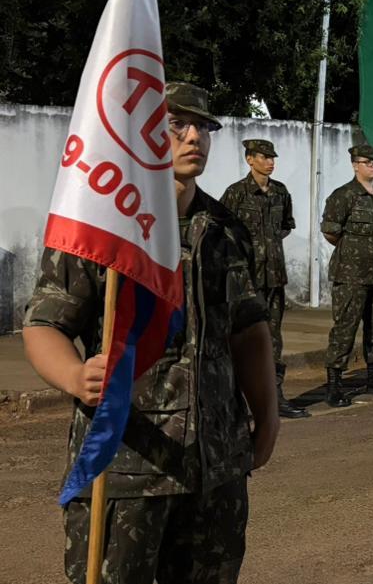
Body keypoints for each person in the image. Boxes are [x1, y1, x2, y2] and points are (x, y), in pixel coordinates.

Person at [24, 82, 278, 583]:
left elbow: (249, 331)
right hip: (128, 463)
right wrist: (74, 376)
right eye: (176, 124)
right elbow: (45, 323)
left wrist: (267, 418)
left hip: (214, 467)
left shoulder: (226, 230)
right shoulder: (100, 229)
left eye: (202, 127)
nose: (193, 137)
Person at [220, 138, 306, 419]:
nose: (270, 162)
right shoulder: (236, 193)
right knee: (242, 338)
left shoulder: (280, 192)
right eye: (264, 157)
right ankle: (236, 400)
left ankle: (275, 397)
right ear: (249, 159)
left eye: (272, 158)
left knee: (274, 338)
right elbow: (221, 231)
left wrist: (269, 246)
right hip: (247, 279)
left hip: (274, 277)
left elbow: (286, 226)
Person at [321, 144, 373, 406]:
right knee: (345, 329)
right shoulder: (344, 195)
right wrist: (353, 252)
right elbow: (331, 231)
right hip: (351, 275)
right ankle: (334, 384)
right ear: (355, 165)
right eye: (368, 162)